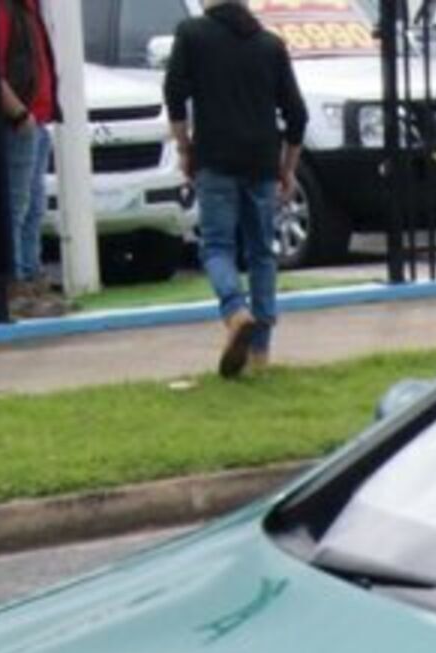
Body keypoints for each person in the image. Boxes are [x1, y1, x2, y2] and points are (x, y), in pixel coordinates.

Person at [163, 0, 308, 378]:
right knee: (262, 252)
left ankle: (234, 311)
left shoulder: (192, 35)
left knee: (217, 247)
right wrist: (288, 169)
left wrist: (184, 148)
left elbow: (174, 95)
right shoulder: (269, 45)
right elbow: (297, 114)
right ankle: (260, 352)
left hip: (214, 157)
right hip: (261, 161)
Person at [0, 0, 66, 318]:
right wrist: (18, 114)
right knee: (16, 208)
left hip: (36, 120)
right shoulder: (2, 10)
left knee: (33, 208)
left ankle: (32, 280)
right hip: (19, 122)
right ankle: (14, 285)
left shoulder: (27, 9)